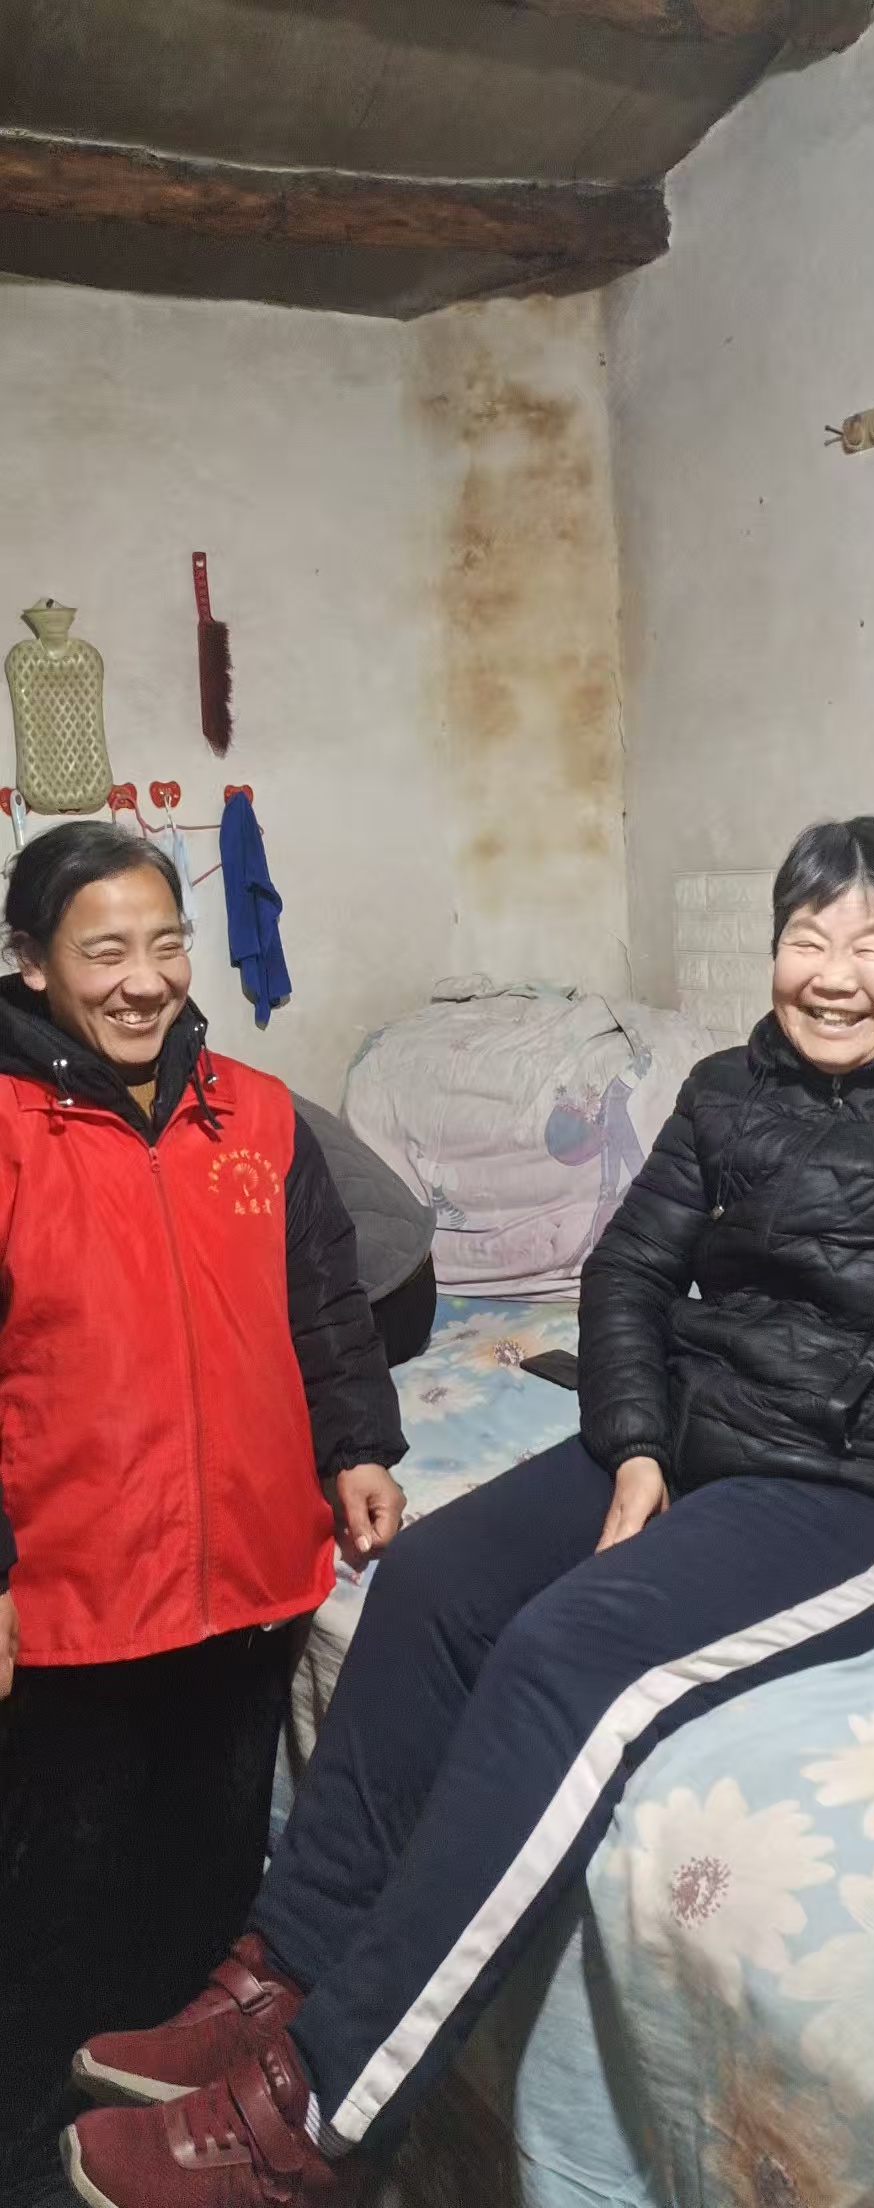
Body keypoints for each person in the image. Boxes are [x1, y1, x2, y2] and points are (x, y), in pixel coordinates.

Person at [64, 816, 874, 2208]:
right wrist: (631, 1446)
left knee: (564, 1651)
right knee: (430, 1580)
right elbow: (627, 1273)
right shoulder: (729, 1087)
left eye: (873, 944)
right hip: (691, 1433)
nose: (832, 974)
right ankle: (286, 1967)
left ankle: (316, 2118)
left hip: (862, 1488)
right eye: (807, 938)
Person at [0, 823, 407, 2207]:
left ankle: (170, 2130)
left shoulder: (259, 1113)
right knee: (61, 1893)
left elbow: (328, 1307)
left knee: (213, 1870)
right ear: (33, 963)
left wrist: (357, 1446)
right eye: (103, 951)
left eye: (166, 945)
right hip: (75, 1594)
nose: (144, 980)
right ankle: (33, 2143)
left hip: (249, 1574)